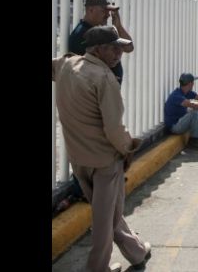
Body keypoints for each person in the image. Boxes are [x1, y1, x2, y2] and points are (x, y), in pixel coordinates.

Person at [52, 26, 151, 272]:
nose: (119, 53)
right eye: (112, 48)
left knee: (108, 214)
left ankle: (137, 252)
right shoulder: (104, 79)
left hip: (79, 158)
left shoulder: (67, 65)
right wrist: (129, 149)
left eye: (120, 47)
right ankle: (98, 268)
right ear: (97, 50)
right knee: (105, 220)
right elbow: (114, 129)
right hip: (105, 160)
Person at [69, 0, 134, 85]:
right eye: (104, 11)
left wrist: (118, 26)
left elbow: (129, 47)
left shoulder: (101, 31)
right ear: (91, 10)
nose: (108, 15)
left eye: (109, 11)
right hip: (97, 93)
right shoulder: (82, 34)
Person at [164, 73, 198, 149]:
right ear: (190, 83)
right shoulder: (176, 95)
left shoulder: (186, 92)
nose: (193, 84)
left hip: (181, 121)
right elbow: (193, 104)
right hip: (175, 127)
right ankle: (193, 140)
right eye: (193, 82)